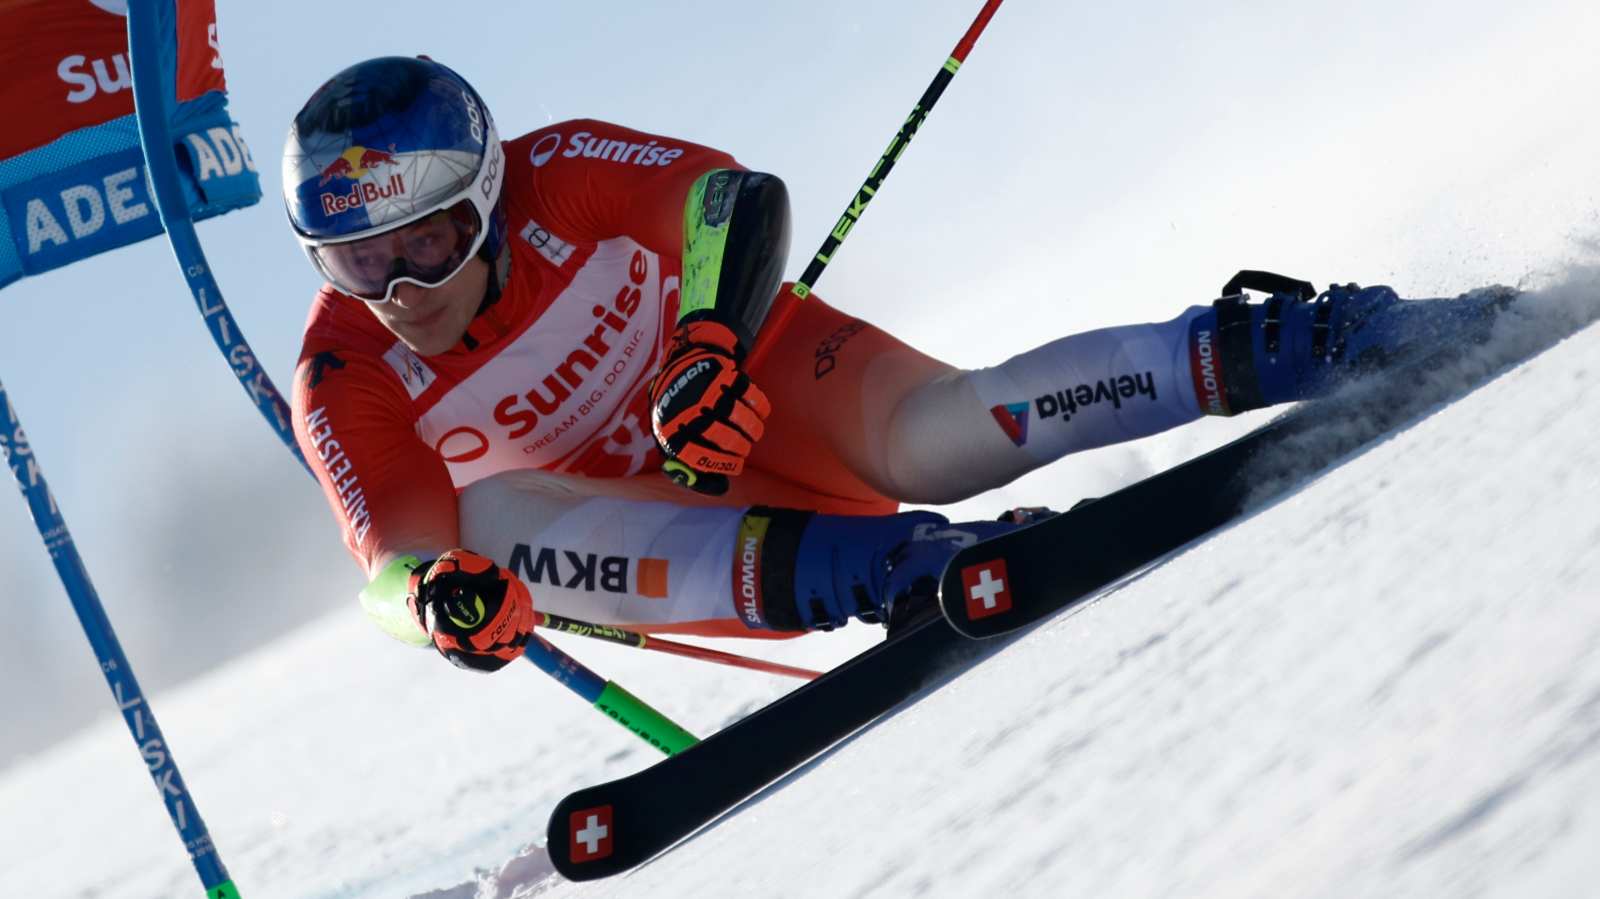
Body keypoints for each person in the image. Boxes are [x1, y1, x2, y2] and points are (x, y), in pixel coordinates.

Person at [286, 57, 1506, 672]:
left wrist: (706, 345)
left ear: (488, 197)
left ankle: (1307, 338)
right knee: (482, 525)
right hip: (672, 529)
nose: (401, 292)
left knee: (939, 435)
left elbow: (730, 197)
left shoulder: (563, 173)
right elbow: (390, 562)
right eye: (356, 261)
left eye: (426, 242)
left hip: (768, 387)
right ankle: (904, 568)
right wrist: (437, 602)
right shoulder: (343, 369)